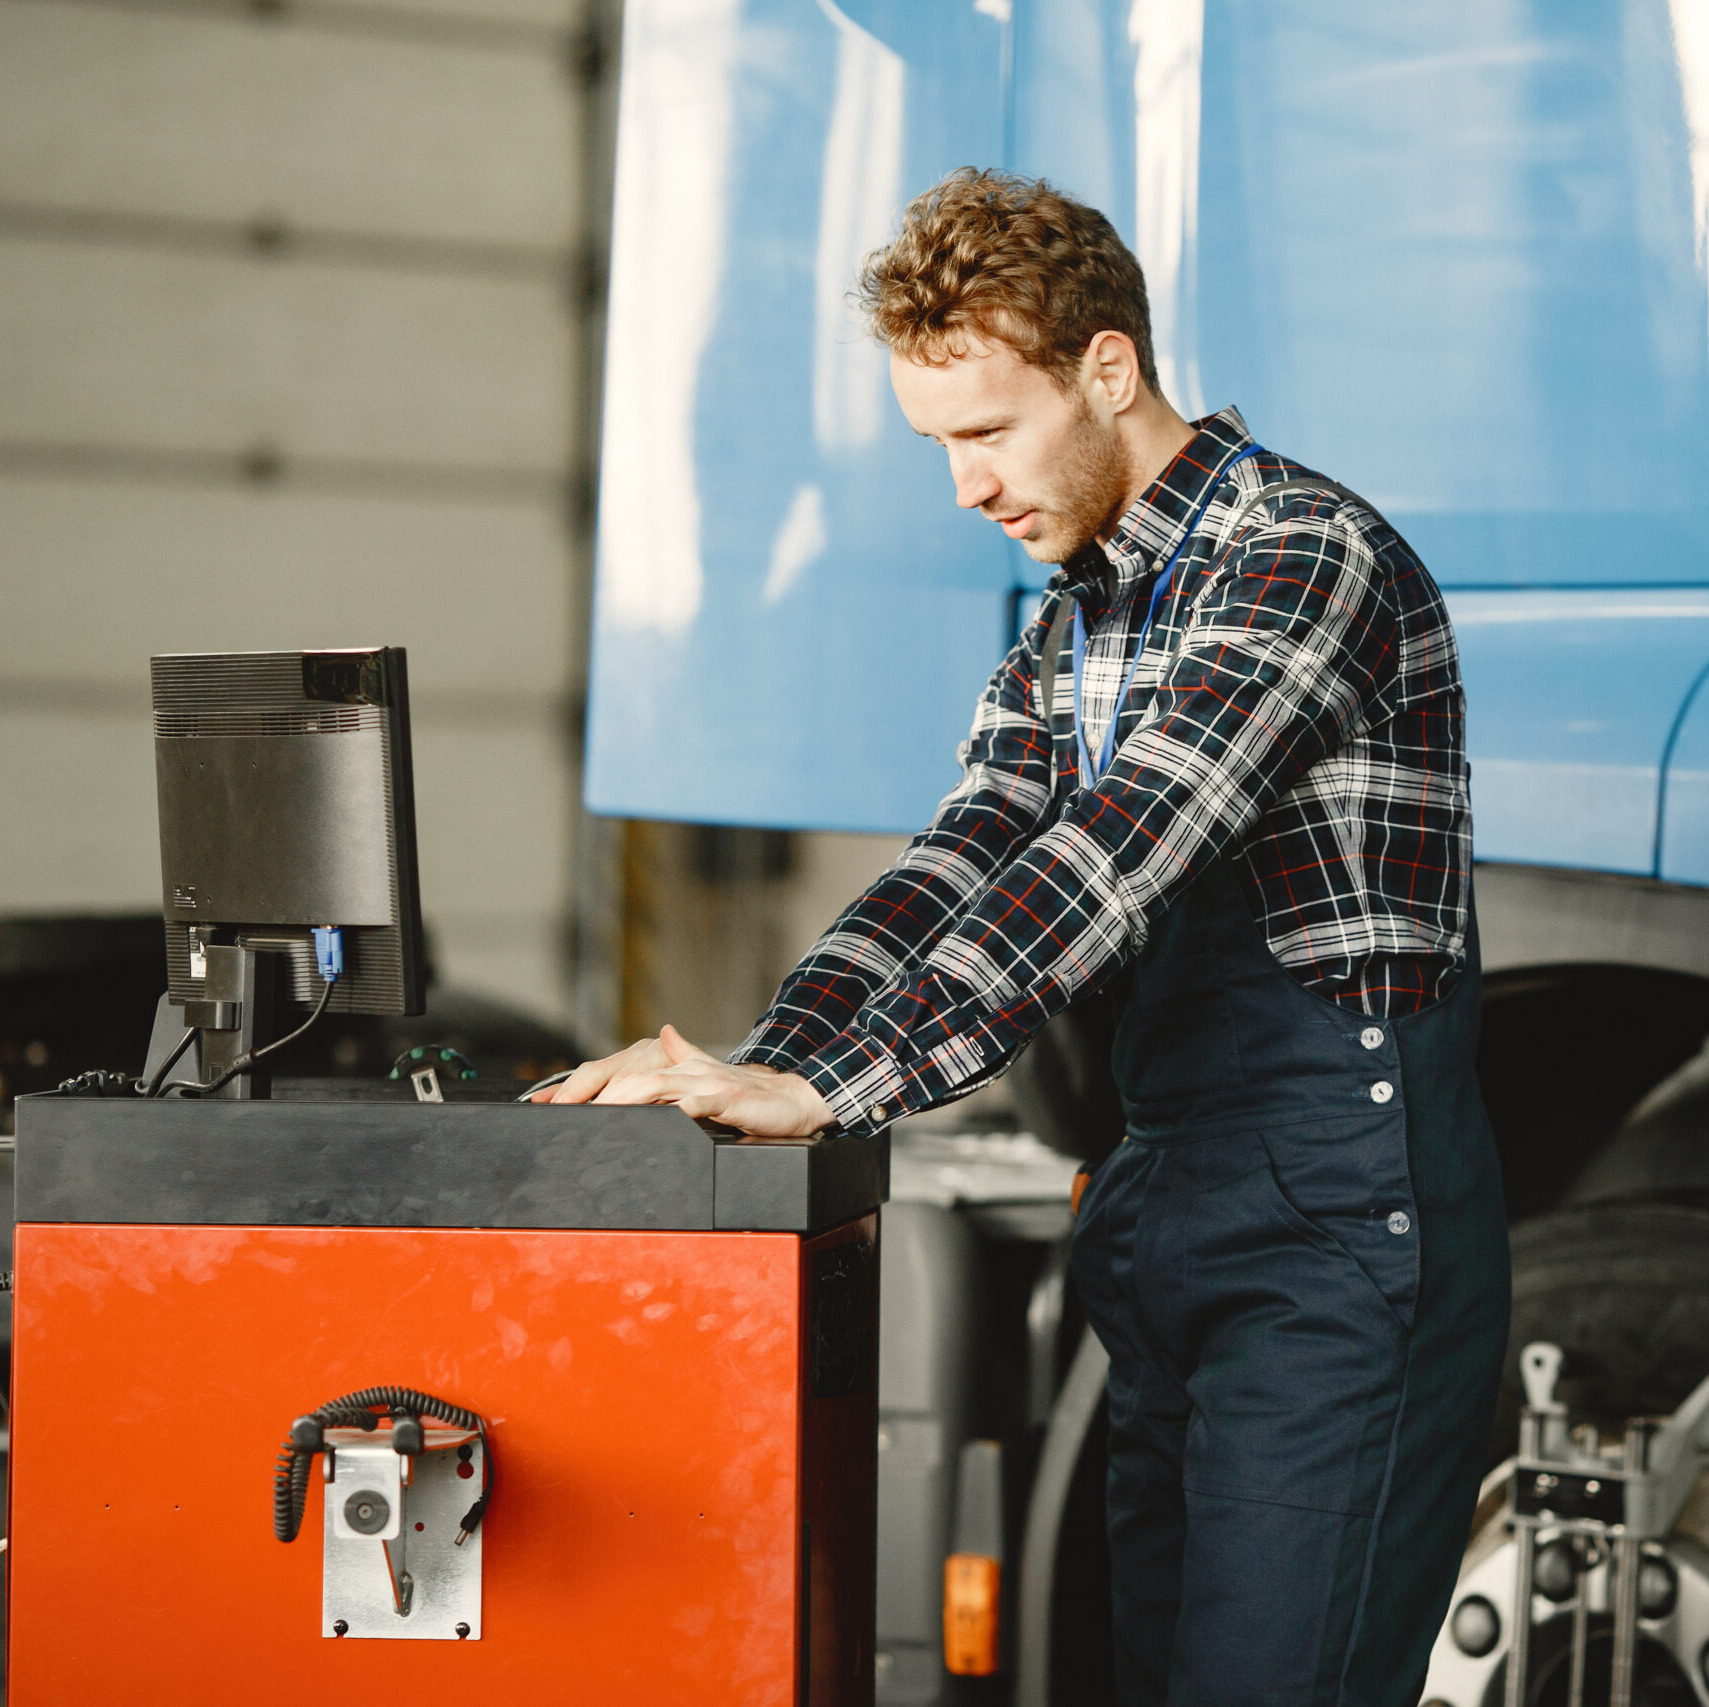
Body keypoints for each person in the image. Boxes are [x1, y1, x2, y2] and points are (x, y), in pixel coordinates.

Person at [546, 166, 1510, 1707]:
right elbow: (965, 858)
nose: (966, 488)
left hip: (1334, 1239)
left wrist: (851, 1088)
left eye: (987, 433)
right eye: (940, 446)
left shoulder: (1302, 559)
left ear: (1108, 371)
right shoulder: (1072, 625)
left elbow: (1114, 855)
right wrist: (766, 1062)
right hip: (1172, 1209)